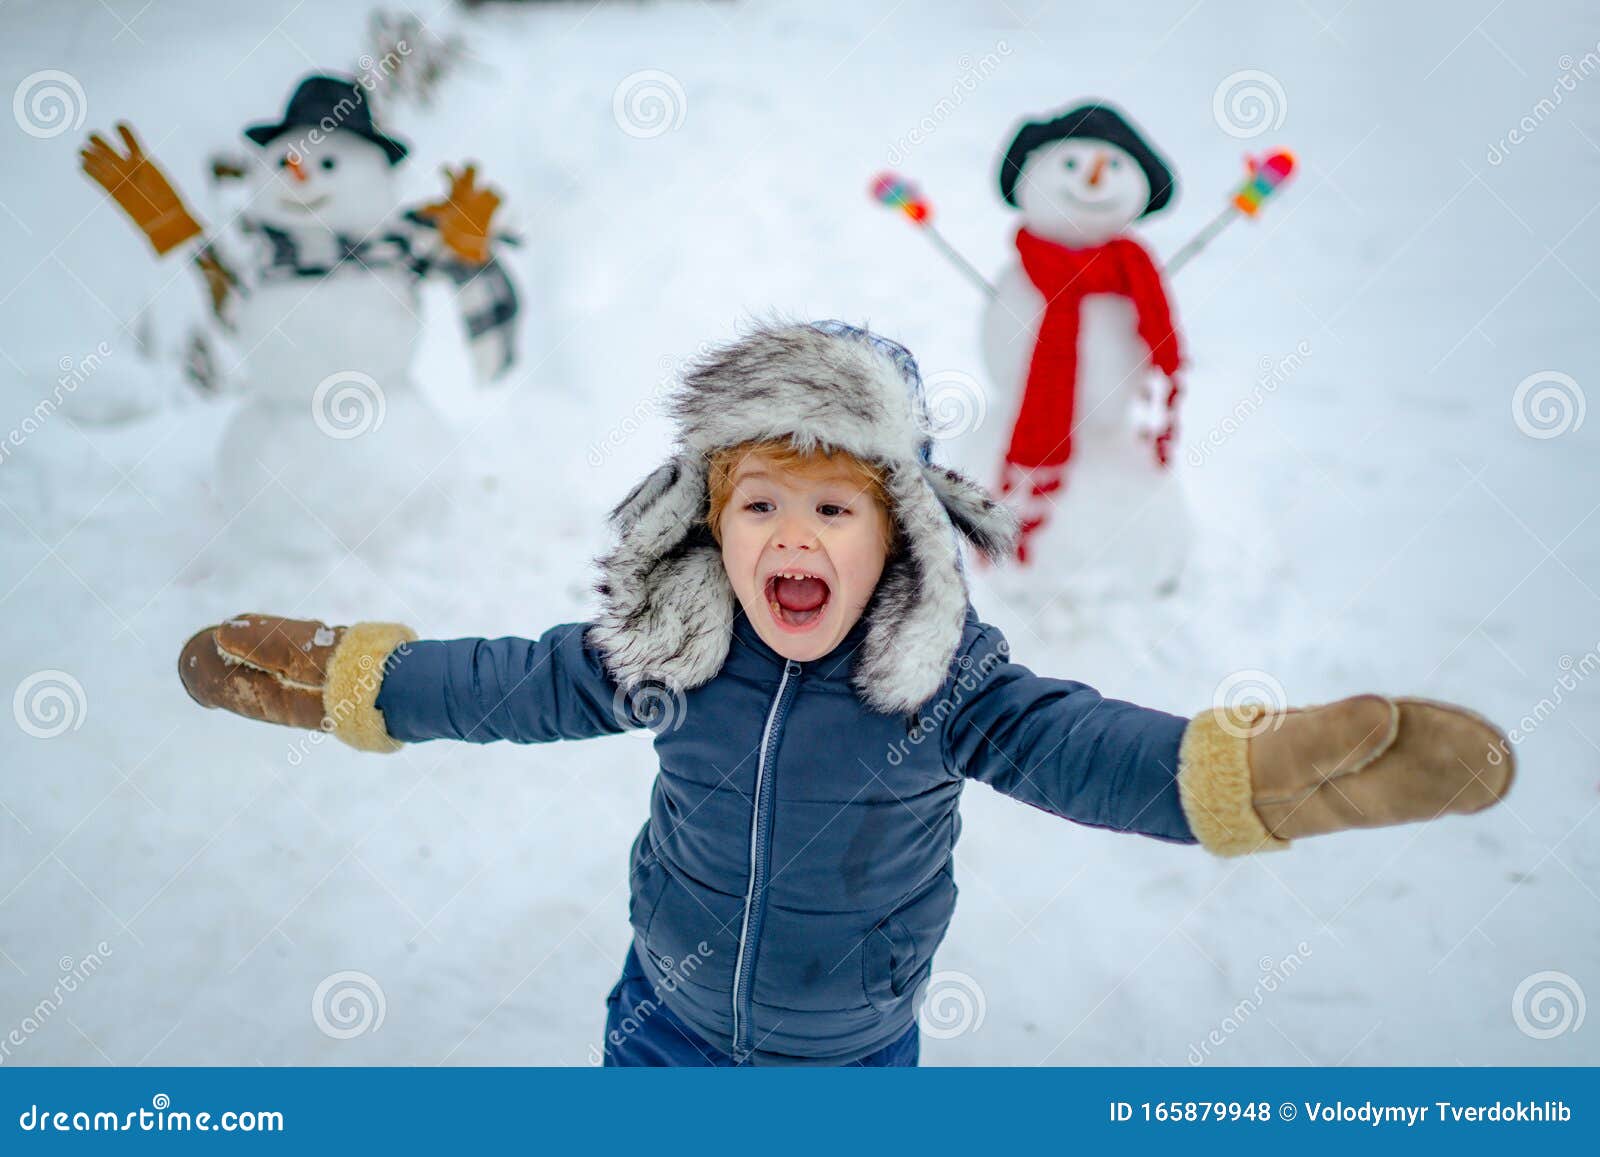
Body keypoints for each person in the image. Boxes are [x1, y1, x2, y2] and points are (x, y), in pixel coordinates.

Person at [177, 320, 1514, 1066]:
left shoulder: (938, 681)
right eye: (760, 503)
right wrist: (362, 678)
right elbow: (514, 681)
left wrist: (1241, 775)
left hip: (854, 1048)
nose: (793, 536)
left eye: (834, 504)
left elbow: (1079, 747)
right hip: (663, 1015)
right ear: (710, 518)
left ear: (905, 530)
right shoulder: (675, 649)